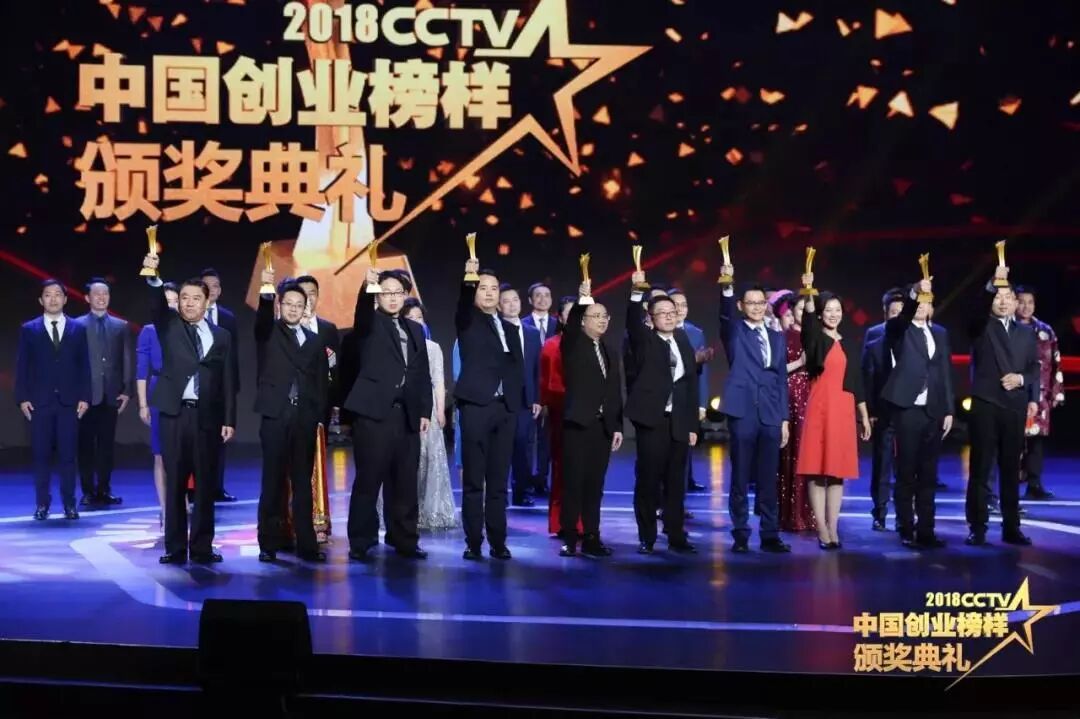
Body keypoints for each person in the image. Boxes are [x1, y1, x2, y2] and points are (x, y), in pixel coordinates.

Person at [142, 254, 236, 564]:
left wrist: (229, 419)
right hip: (174, 415)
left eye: (196, 298)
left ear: (207, 302)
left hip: (207, 417)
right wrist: (153, 275)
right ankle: (175, 547)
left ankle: (202, 547)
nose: (190, 303)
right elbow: (157, 303)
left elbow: (227, 380)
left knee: (206, 484)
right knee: (175, 484)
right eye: (184, 298)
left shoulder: (221, 336)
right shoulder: (169, 326)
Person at [345, 268, 433, 560]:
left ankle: (404, 538)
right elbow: (362, 312)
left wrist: (424, 410)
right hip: (373, 415)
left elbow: (421, 374)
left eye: (398, 293)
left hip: (406, 415)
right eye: (386, 293)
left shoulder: (415, 329)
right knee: (369, 480)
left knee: (405, 482)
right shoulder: (370, 324)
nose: (393, 298)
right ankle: (361, 540)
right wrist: (367, 286)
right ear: (377, 296)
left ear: (406, 295)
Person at [253, 274, 329, 562]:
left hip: (303, 418)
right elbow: (262, 318)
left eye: (299, 304)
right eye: (289, 304)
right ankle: (269, 543)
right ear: (280, 305)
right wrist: (266, 291)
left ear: (305, 308)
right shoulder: (269, 332)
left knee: (302, 483)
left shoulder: (314, 340)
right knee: (272, 482)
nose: (294, 309)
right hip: (275, 415)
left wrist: (317, 415)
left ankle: (306, 544)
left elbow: (321, 382)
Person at [717, 263, 791, 553]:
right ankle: (740, 533)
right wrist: (727, 284)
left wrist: (784, 418)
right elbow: (725, 314)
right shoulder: (734, 331)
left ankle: (770, 534)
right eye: (751, 303)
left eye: (761, 303)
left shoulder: (776, 337)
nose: (757, 307)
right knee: (740, 476)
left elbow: (781, 380)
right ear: (741, 305)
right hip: (743, 412)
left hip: (771, 414)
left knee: (768, 477)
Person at [454, 258, 524, 560]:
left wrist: (516, 403)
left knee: (498, 482)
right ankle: (473, 542)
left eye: (494, 288)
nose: (489, 293)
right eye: (483, 288)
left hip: (504, 409)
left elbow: (517, 368)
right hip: (476, 406)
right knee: (474, 481)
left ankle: (498, 541)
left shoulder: (510, 328)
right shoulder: (468, 320)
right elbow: (463, 302)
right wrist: (469, 277)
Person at [625, 271, 699, 554]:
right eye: (662, 313)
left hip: (678, 421)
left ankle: (676, 535)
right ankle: (647, 536)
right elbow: (632, 322)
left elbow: (689, 384)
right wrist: (636, 291)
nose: (669, 316)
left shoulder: (682, 340)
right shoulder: (645, 340)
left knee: (676, 482)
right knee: (649, 480)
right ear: (651, 317)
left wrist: (692, 425)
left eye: (672, 312)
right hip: (652, 421)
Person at [965, 266, 1039, 547]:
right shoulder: (982, 326)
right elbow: (976, 311)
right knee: (981, 468)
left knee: (1010, 469)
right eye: (998, 296)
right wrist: (994, 282)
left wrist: (1021, 379)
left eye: (1008, 297)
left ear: (1016, 302)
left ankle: (1011, 527)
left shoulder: (1026, 332)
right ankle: (977, 527)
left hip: (1014, 406)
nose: (1003, 301)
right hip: (986, 404)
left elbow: (1034, 368)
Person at [796, 283, 871, 549]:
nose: (833, 314)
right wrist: (808, 293)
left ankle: (834, 527)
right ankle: (822, 529)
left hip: (843, 411)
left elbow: (856, 382)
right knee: (817, 472)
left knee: (837, 472)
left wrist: (864, 415)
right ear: (820, 313)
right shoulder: (816, 340)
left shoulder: (849, 343)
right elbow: (807, 326)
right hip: (820, 409)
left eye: (837, 310)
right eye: (828, 310)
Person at [881, 278, 954, 549]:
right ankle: (905, 527)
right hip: (907, 408)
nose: (923, 306)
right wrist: (915, 293)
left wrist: (948, 409)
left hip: (932, 409)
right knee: (906, 472)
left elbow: (945, 373)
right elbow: (903, 318)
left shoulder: (940, 334)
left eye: (927, 302)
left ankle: (926, 530)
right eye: (919, 302)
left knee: (928, 473)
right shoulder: (899, 329)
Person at [16, 279, 91, 521]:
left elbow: (84, 366)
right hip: (40, 403)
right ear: (41, 300)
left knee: (68, 456)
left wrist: (85, 397)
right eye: (48, 295)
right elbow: (22, 366)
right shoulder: (29, 329)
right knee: (41, 456)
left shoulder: (78, 329)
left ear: (65, 299)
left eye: (58, 294)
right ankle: (42, 504)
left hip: (69, 403)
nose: (53, 299)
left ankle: (70, 504)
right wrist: (22, 398)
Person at [558, 281, 624, 556]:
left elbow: (614, 390)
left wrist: (617, 425)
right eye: (595, 316)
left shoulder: (609, 349)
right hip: (578, 424)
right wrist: (581, 301)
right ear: (583, 320)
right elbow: (571, 327)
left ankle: (592, 537)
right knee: (574, 482)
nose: (601, 320)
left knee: (595, 485)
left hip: (602, 427)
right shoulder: (574, 344)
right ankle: (569, 537)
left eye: (604, 316)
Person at [74, 277, 133, 509]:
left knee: (107, 447)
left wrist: (127, 390)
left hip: (111, 395)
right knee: (85, 446)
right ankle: (88, 491)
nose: (101, 297)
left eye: (105, 294)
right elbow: (73, 362)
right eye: (97, 294)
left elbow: (126, 358)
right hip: (85, 396)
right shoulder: (76, 325)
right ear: (87, 298)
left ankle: (104, 489)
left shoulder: (120, 325)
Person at [402, 298, 459, 529]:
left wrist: (440, 411)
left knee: (429, 459)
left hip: (430, 411)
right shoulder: (397, 345)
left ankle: (430, 511)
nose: (416, 322)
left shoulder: (433, 348)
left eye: (419, 317)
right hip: (404, 409)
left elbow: (438, 380)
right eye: (410, 318)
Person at [862, 288, 906, 531]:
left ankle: (904, 515)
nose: (898, 316)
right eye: (893, 312)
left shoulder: (914, 334)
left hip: (910, 410)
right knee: (882, 462)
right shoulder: (875, 336)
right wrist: (869, 411)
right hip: (883, 409)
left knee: (907, 465)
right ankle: (879, 512)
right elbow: (867, 374)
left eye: (902, 312)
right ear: (885, 312)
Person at [1014, 285, 1063, 500]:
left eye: (1030, 302)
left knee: (1037, 441)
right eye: (1022, 302)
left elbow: (1056, 362)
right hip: (1015, 393)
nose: (1026, 307)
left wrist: (1057, 392)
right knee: (1013, 441)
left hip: (1041, 394)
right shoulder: (1008, 327)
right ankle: (1010, 484)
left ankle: (1034, 484)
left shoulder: (1045, 330)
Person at [136, 282, 178, 525]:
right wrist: (143, 404)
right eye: (167, 301)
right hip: (159, 393)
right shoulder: (149, 331)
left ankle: (181, 503)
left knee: (182, 454)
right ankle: (164, 508)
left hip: (184, 393)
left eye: (174, 301)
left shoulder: (189, 329)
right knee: (160, 454)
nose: (171, 306)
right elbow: (142, 370)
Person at [499, 284, 543, 506]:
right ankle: (499, 492)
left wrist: (537, 398)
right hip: (501, 398)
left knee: (523, 444)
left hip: (526, 399)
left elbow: (537, 369)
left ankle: (522, 490)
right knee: (502, 445)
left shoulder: (532, 333)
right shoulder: (495, 330)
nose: (512, 304)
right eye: (506, 301)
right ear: (499, 306)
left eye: (515, 300)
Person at [539, 296, 580, 537]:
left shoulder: (592, 343)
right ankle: (562, 522)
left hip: (589, 412)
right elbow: (549, 383)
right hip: (563, 411)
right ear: (561, 318)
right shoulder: (553, 345)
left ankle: (585, 521)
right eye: (570, 313)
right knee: (563, 468)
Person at [775, 294, 815, 532]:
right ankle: (794, 514)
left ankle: (814, 513)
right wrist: (800, 363)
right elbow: (774, 370)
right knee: (796, 453)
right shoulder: (784, 337)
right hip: (794, 397)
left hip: (816, 395)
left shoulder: (819, 336)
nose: (806, 313)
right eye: (801, 309)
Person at [199, 267, 239, 503]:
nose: (211, 290)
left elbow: (233, 356)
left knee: (221, 439)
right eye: (207, 286)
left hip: (222, 388)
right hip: (198, 387)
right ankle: (196, 488)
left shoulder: (228, 318)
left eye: (215, 286)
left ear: (220, 290)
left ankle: (217, 487)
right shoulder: (191, 314)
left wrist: (233, 386)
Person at [669, 288, 712, 493]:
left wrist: (702, 404)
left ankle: (682, 489)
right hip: (665, 398)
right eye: (675, 305)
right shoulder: (656, 332)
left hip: (687, 398)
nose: (680, 309)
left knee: (685, 447)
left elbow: (702, 373)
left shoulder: (696, 333)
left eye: (684, 305)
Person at [522, 281, 561, 497]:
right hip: (529, 391)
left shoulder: (559, 325)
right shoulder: (521, 324)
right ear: (530, 300)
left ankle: (542, 480)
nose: (543, 299)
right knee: (527, 440)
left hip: (553, 390)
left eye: (547, 295)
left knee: (548, 440)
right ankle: (526, 482)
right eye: (538, 295)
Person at [295, 275, 342, 424]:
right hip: (293, 401)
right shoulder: (286, 328)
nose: (308, 298)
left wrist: (335, 401)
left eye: (312, 293)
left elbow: (334, 365)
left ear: (318, 295)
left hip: (322, 401)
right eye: (303, 293)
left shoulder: (328, 329)